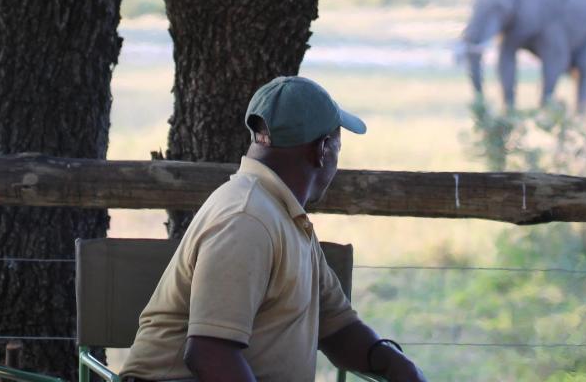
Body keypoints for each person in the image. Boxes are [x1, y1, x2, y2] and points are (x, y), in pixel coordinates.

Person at [120, 75, 427, 382]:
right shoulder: (245, 220)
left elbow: (336, 325)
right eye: (338, 145)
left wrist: (393, 363)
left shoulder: (283, 214)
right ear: (322, 150)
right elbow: (210, 354)